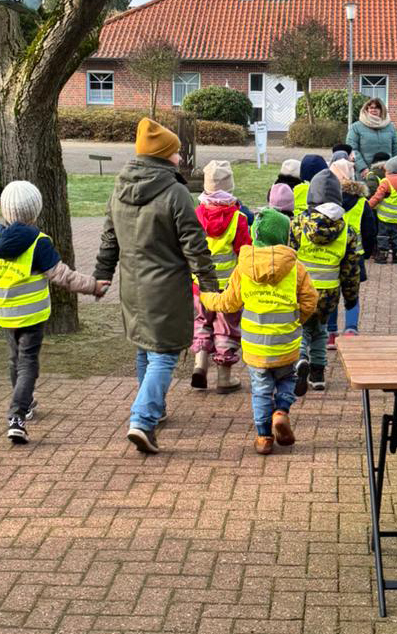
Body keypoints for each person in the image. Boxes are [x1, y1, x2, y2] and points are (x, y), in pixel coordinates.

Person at [94, 117, 219, 454]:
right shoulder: (175, 192)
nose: (180, 159)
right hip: (165, 288)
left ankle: (156, 409)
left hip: (132, 287)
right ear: (165, 156)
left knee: (144, 348)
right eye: (176, 153)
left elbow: (109, 237)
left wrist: (103, 274)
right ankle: (143, 419)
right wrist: (210, 286)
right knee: (163, 355)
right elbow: (194, 244)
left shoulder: (119, 187)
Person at [0, 181, 109, 445]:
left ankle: (24, 405)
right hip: (32, 316)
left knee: (15, 359)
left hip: (5, 316)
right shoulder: (38, 243)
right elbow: (63, 276)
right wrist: (93, 286)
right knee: (28, 364)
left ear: (5, 210)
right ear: (35, 211)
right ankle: (17, 416)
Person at [201, 208, 318, 455]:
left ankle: (264, 437)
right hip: (286, 341)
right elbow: (310, 300)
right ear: (285, 236)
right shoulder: (296, 268)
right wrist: (297, 319)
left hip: (255, 346)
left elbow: (228, 303)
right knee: (288, 379)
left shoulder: (243, 269)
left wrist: (206, 297)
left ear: (256, 236)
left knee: (261, 390)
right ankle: (282, 410)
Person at [289, 170, 360, 392]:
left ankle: (300, 358)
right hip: (328, 295)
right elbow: (350, 270)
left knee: (299, 328)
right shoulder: (347, 231)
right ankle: (318, 374)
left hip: (300, 291)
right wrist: (351, 299)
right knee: (319, 331)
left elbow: (289, 258)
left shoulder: (298, 224)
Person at [190, 160, 251, 393]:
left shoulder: (196, 215)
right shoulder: (239, 218)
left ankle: (200, 365)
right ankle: (224, 378)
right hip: (228, 288)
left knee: (202, 321)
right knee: (226, 328)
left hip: (200, 285)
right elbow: (244, 252)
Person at [326, 154, 375, 346]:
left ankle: (330, 333)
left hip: (332, 255)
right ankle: (351, 329)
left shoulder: (327, 201)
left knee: (332, 293)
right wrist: (368, 251)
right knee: (352, 293)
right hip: (355, 255)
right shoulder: (362, 203)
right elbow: (370, 230)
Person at [368, 154, 397, 264]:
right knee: (395, 234)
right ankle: (396, 254)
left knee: (383, 235)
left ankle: (383, 255)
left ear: (390, 169)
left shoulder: (386, 182)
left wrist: (368, 206)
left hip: (384, 215)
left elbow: (377, 197)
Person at [346, 97, 397, 177]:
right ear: (367, 109)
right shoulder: (356, 127)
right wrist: (362, 168)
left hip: (387, 171)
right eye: (371, 107)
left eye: (377, 107)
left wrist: (396, 167)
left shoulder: (390, 127)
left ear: (382, 110)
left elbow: (395, 148)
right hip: (365, 173)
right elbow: (352, 149)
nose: (374, 110)